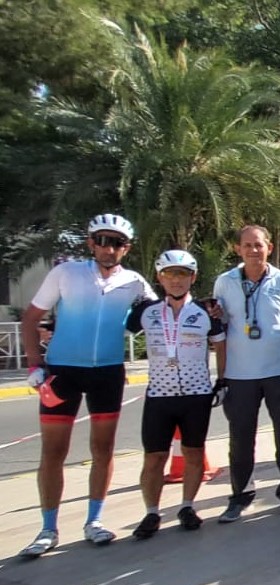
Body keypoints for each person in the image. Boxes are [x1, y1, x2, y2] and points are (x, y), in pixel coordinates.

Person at [18, 214, 156, 557]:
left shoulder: (135, 282)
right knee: (53, 451)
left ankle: (94, 521)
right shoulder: (66, 273)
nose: (110, 249)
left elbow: (160, 312)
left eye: (117, 243)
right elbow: (31, 318)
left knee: (103, 449)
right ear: (91, 243)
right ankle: (48, 529)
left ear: (126, 248)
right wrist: (34, 364)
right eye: (103, 241)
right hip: (63, 371)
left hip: (107, 372)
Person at [126, 250, 226, 539]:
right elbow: (115, 329)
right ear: (160, 278)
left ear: (192, 278)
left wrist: (222, 381)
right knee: (154, 457)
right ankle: (151, 512)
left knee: (194, 453)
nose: (176, 280)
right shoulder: (147, 312)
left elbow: (221, 345)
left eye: (182, 274)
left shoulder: (206, 311)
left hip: (196, 394)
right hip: (159, 396)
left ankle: (187, 506)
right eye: (170, 274)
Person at [212, 225, 280, 522]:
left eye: (259, 245)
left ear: (269, 247)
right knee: (241, 438)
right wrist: (221, 375)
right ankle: (240, 497)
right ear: (238, 249)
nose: (253, 250)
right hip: (240, 374)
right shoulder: (225, 282)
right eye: (247, 245)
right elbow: (219, 326)